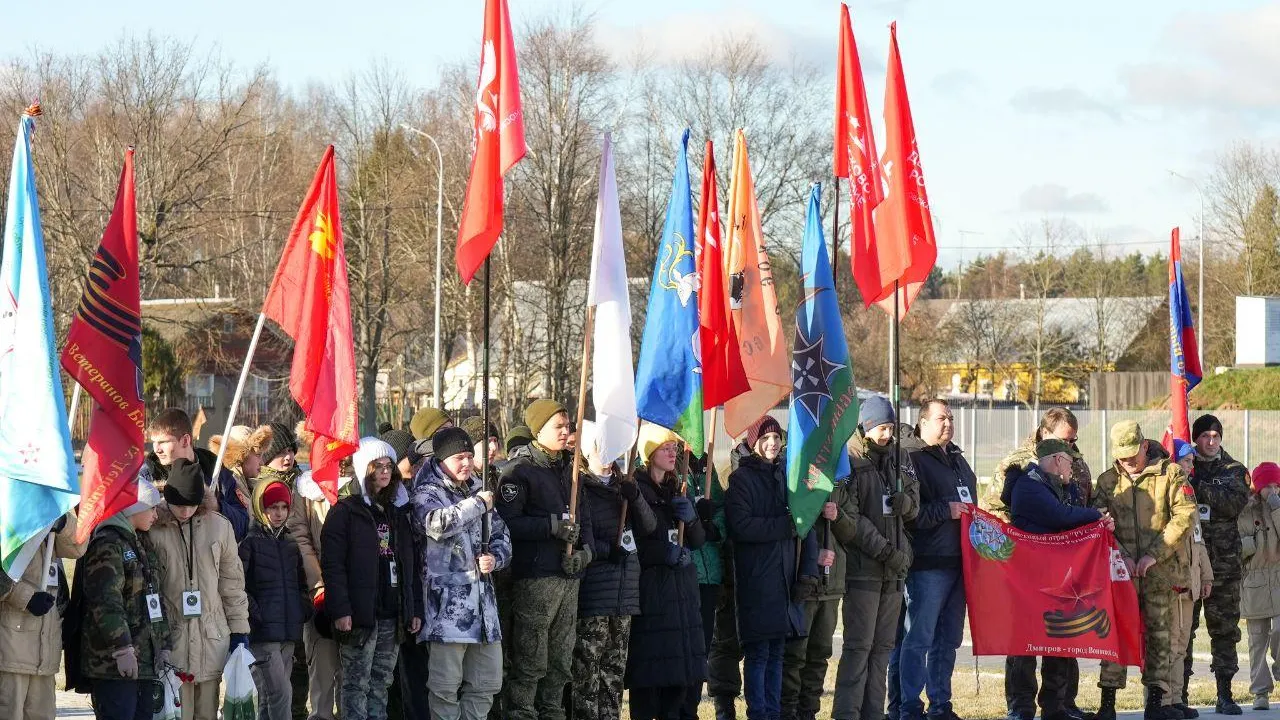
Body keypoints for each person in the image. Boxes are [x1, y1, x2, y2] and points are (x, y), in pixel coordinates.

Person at [989, 408, 1096, 720]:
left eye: (1075, 440)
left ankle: (1061, 703)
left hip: (1065, 566)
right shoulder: (1018, 464)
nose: (1072, 446)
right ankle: (1020, 705)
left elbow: (1081, 504)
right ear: (1047, 434)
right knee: (1024, 638)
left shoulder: (1076, 462)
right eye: (1066, 440)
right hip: (1026, 564)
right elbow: (995, 508)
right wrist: (1023, 542)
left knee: (1062, 636)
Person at [495, 399, 596, 720]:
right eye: (559, 427)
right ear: (538, 431)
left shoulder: (571, 469)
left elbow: (586, 519)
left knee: (560, 660)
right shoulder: (520, 472)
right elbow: (507, 523)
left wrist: (586, 552)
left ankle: (552, 712)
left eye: (568, 426)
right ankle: (522, 712)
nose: (567, 432)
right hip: (536, 579)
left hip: (568, 578)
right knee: (531, 658)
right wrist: (551, 526)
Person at [1092, 421, 1197, 720]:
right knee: (1114, 633)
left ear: (1144, 446)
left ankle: (1155, 705)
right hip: (1120, 573)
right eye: (1121, 456)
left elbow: (1185, 517)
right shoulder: (1107, 481)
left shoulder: (1171, 474)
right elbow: (1099, 522)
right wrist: (1122, 557)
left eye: (1132, 454)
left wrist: (1153, 555)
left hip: (1160, 572)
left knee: (1159, 636)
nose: (1127, 461)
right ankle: (1107, 704)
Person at [411, 426, 513, 719]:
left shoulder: (479, 489)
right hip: (447, 614)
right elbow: (436, 524)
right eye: (459, 457)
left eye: (470, 456)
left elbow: (502, 534)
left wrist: (495, 558)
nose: (467, 463)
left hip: (484, 612)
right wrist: (477, 504)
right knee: (445, 687)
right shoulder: (426, 493)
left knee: (487, 683)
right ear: (442, 459)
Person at [321, 437, 424, 720]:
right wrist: (341, 610)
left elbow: (409, 565)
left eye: (388, 465)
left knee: (381, 683)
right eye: (376, 465)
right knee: (356, 684)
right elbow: (332, 566)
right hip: (359, 616)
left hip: (392, 614)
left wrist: (413, 609)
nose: (384, 471)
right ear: (362, 469)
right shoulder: (345, 512)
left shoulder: (397, 513)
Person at [830, 396, 920, 720]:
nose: (887, 434)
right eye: (881, 428)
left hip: (894, 575)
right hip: (864, 571)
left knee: (882, 650)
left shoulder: (899, 456)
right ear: (867, 426)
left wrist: (904, 504)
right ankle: (847, 714)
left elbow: (915, 500)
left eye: (890, 427)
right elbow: (849, 517)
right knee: (859, 649)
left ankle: (873, 714)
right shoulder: (851, 458)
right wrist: (886, 551)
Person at [726, 415, 819, 720]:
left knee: (778, 653)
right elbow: (741, 527)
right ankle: (759, 712)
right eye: (766, 438)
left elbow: (804, 524)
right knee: (759, 654)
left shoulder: (787, 476)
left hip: (783, 577)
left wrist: (806, 571)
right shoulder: (741, 479)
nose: (772, 444)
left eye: (777, 438)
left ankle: (774, 712)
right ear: (754, 443)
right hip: (757, 580)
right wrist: (784, 526)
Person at [147, 455, 250, 720]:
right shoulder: (153, 528)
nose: (184, 512)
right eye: (178, 505)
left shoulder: (220, 527)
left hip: (211, 641)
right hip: (172, 644)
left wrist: (239, 631)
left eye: (191, 505)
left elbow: (232, 585)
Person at [570, 421, 657, 720]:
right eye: (599, 447)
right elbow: (585, 538)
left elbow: (649, 527)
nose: (606, 453)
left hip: (624, 595)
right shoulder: (581, 488)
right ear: (587, 451)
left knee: (613, 675)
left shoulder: (624, 486)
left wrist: (636, 498)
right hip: (595, 596)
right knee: (588, 676)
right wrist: (608, 551)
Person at [901, 398, 978, 720]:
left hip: (959, 562)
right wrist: (944, 511)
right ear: (923, 422)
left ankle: (940, 704)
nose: (948, 424)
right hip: (928, 564)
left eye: (951, 418)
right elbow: (907, 513)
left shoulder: (957, 458)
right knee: (919, 638)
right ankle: (909, 706)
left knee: (948, 641)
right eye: (941, 419)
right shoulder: (912, 458)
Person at [626, 424, 708, 719]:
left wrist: (694, 518)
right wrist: (665, 553)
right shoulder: (637, 491)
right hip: (654, 594)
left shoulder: (677, 488)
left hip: (682, 596)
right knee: (651, 680)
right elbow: (635, 543)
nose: (673, 453)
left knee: (679, 682)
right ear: (650, 454)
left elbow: (697, 541)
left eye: (674, 447)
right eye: (666, 448)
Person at [73, 479, 171, 720]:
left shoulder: (139, 542)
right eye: (151, 508)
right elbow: (106, 602)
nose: (156, 515)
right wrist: (122, 649)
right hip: (113, 666)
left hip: (144, 662)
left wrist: (163, 643)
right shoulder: (107, 544)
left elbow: (153, 596)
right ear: (134, 507)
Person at [1186, 414, 1251, 715]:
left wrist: (1196, 485)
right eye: (1205, 436)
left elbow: (1232, 504)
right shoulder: (1182, 466)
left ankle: (1224, 694)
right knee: (1184, 631)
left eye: (1216, 436)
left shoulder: (1234, 469)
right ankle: (1179, 693)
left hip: (1223, 565)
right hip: (1189, 564)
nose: (1211, 442)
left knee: (1225, 631)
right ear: (1195, 438)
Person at [288, 421, 353, 720]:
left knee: (352, 675)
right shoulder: (304, 489)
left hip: (356, 592)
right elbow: (299, 536)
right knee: (323, 673)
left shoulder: (356, 487)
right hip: (321, 593)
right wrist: (319, 585)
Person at [239, 476, 312, 720]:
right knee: (281, 693)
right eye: (273, 507)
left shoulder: (290, 543)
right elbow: (240, 586)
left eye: (283, 507)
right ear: (261, 508)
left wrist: (302, 608)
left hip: (288, 630)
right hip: (263, 632)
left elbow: (301, 582)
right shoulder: (250, 543)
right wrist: (256, 614)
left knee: (270, 696)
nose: (279, 513)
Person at [0, 511, 85, 720]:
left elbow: (78, 546)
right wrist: (25, 597)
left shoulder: (51, 508)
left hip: (45, 652)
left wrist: (63, 522)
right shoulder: (8, 511)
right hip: (10, 652)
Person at [145, 407, 249, 541]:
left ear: (185, 440)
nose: (157, 449)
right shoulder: (148, 476)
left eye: (163, 442)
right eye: (154, 442)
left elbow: (243, 525)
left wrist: (217, 506)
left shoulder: (215, 472)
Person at [1168, 440, 1213, 720]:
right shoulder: (1165, 495)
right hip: (1173, 580)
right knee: (1170, 643)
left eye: (1191, 461)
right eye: (1186, 461)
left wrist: (1206, 575)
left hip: (1191, 581)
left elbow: (1198, 540)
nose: (1191, 466)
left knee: (1182, 644)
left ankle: (1175, 698)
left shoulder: (1189, 493)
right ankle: (1161, 700)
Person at [682, 443, 726, 720]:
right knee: (683, 648)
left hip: (710, 575)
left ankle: (692, 707)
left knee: (702, 649)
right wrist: (696, 523)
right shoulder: (675, 469)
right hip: (686, 574)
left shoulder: (708, 469)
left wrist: (714, 526)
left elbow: (723, 509)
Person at [1238, 461, 1280, 711]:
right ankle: (1260, 692)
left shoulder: (1278, 506)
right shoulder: (1246, 510)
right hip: (1254, 582)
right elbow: (1236, 546)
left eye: (1277, 485)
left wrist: (1276, 509)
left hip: (1278, 578)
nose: (1273, 490)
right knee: (1257, 640)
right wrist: (1250, 544)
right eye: (1268, 486)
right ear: (1258, 487)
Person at [209, 424, 271, 511]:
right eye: (258, 455)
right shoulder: (227, 485)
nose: (262, 463)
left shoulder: (248, 484)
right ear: (241, 455)